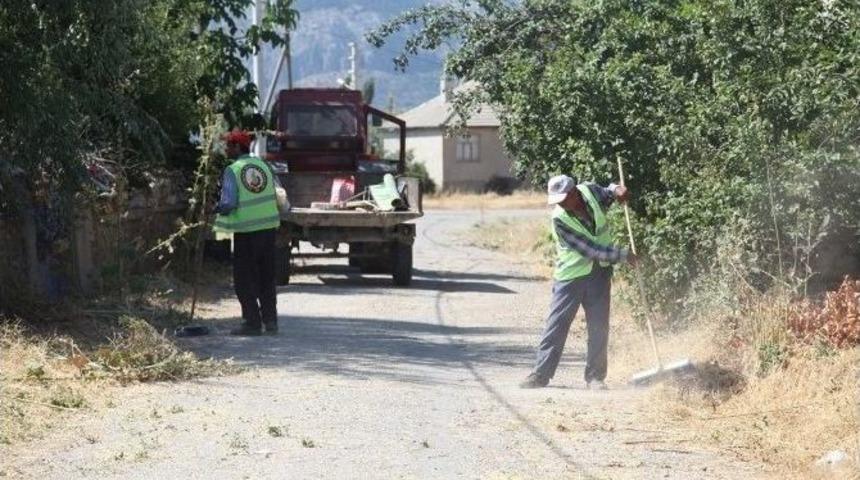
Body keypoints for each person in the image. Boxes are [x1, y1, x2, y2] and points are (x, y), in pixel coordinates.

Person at [520, 174, 636, 389]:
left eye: (564, 198)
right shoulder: (559, 219)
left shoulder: (589, 191)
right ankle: (540, 374)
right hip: (570, 277)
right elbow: (591, 250)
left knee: (599, 327)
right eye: (558, 201)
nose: (562, 204)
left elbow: (608, 192)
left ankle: (595, 377)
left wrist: (618, 190)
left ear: (574, 192)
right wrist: (624, 255)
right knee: (556, 325)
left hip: (599, 275)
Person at [214, 130, 282, 336]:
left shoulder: (233, 170)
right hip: (269, 229)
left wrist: (215, 208)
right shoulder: (264, 166)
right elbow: (278, 193)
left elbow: (228, 203)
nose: (226, 149)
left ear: (237, 147)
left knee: (244, 278)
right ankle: (270, 321)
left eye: (228, 146)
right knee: (266, 276)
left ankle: (252, 323)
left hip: (247, 231)